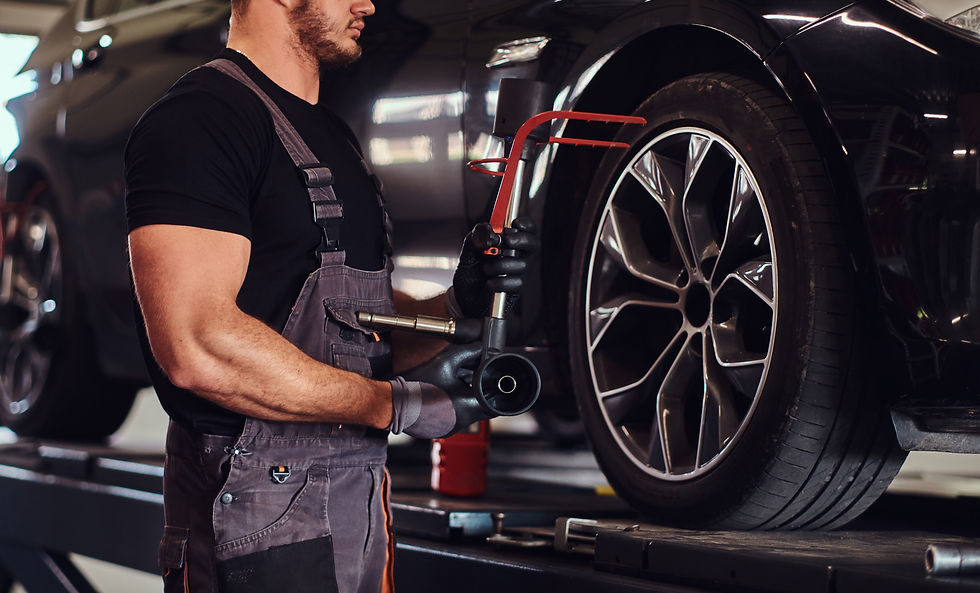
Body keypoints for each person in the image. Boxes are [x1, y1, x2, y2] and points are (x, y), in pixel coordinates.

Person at [124, 0, 538, 591]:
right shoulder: (201, 119)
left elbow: (351, 334)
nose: (368, 2)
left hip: (357, 500)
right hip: (256, 507)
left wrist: (453, 307)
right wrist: (390, 406)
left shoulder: (330, 135)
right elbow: (197, 346)